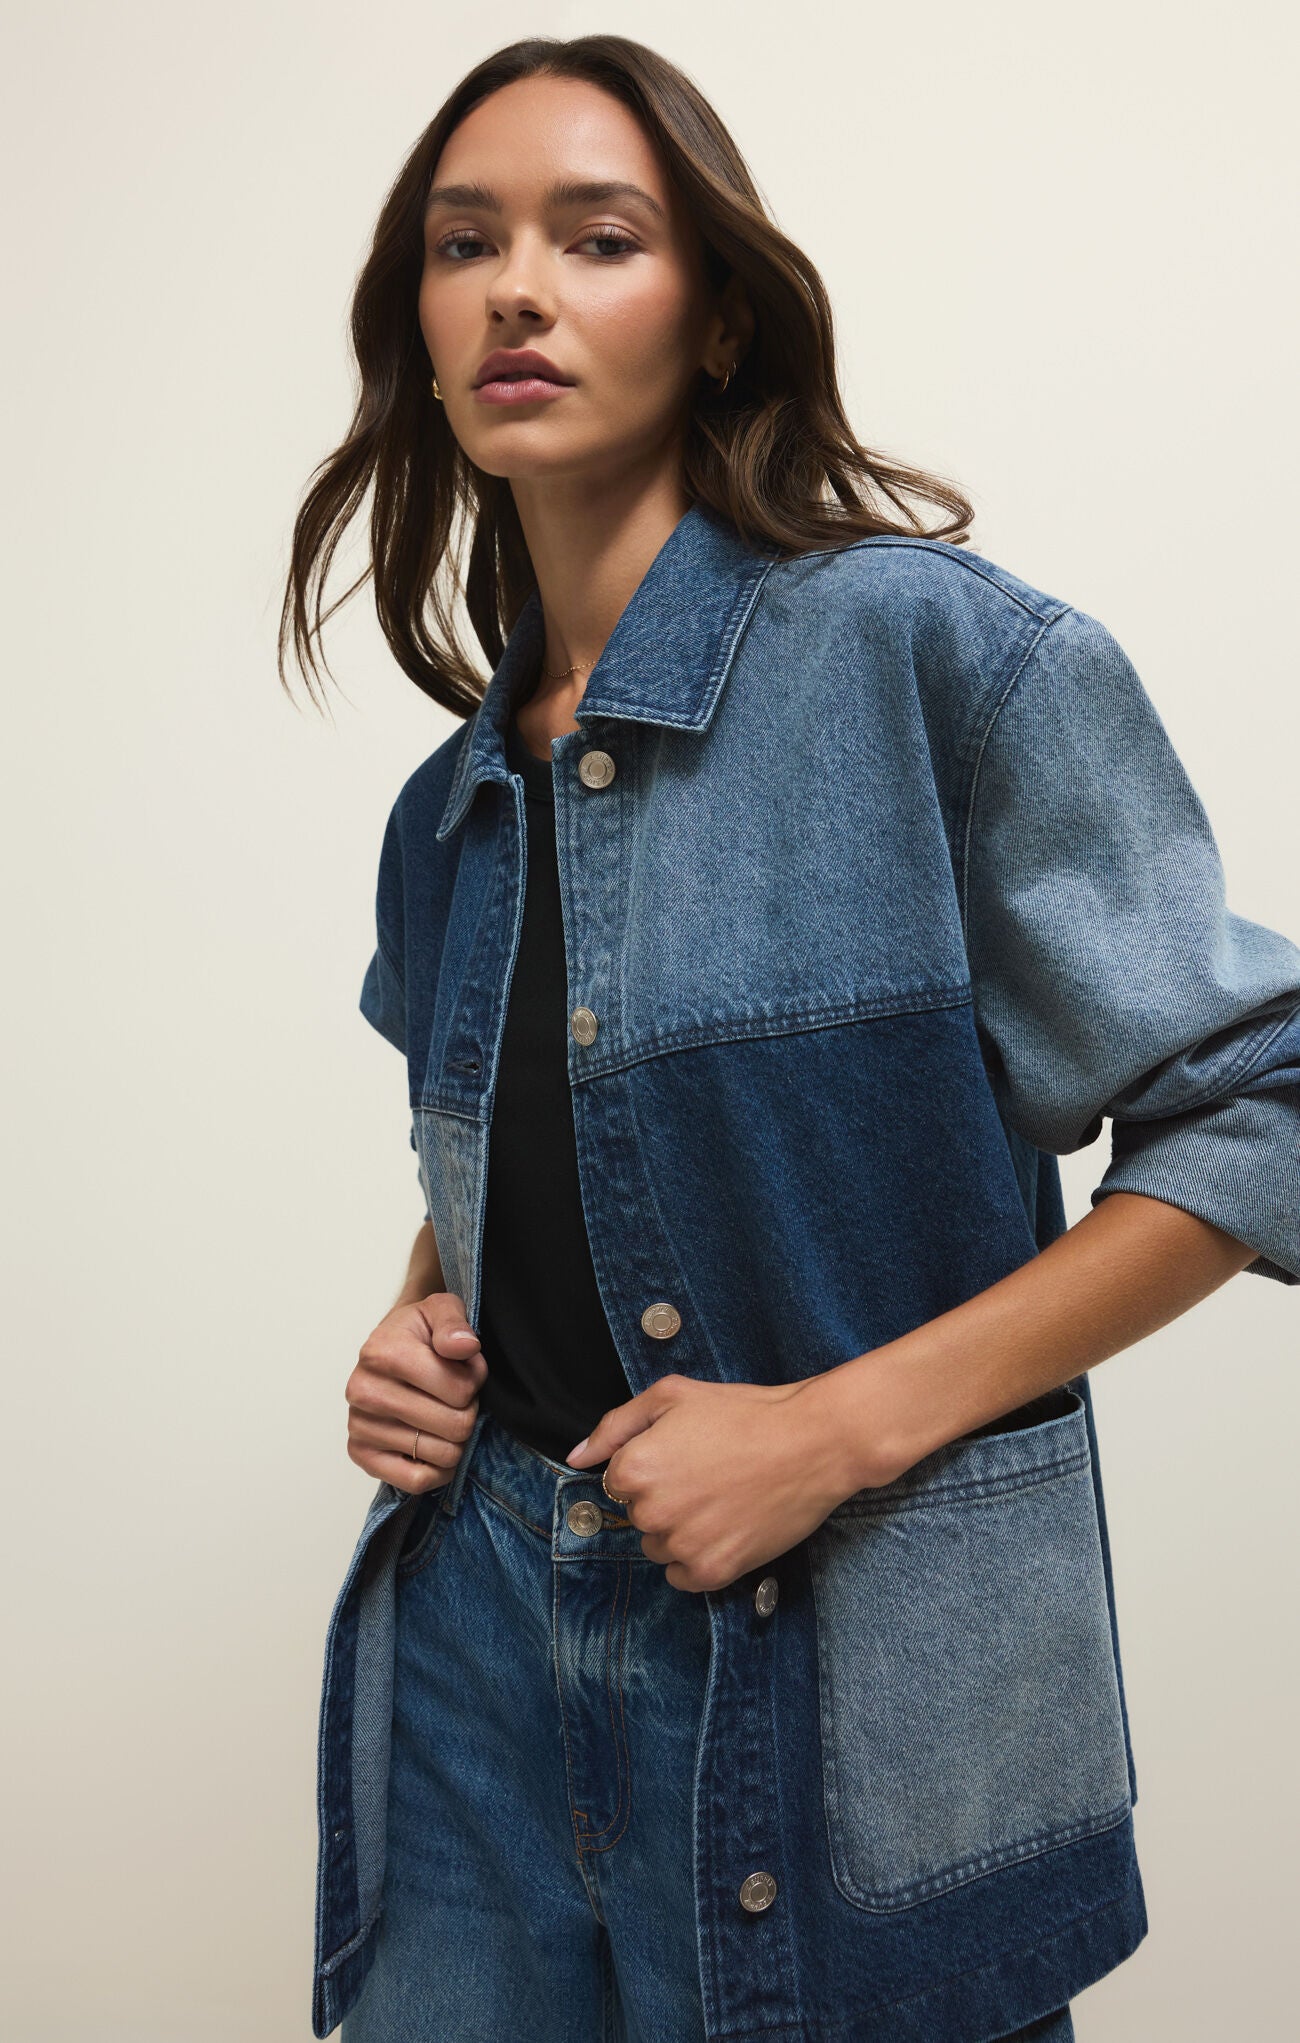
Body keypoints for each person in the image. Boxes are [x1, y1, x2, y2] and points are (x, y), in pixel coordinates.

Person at [280, 34, 1300, 2043]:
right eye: (462, 242)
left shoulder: (926, 658)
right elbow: (517, 1154)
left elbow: (1257, 1098)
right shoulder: (453, 803)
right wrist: (419, 1323)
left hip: (834, 1682)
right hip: (482, 1642)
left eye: (597, 237)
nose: (515, 290)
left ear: (719, 311)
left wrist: (828, 1430)